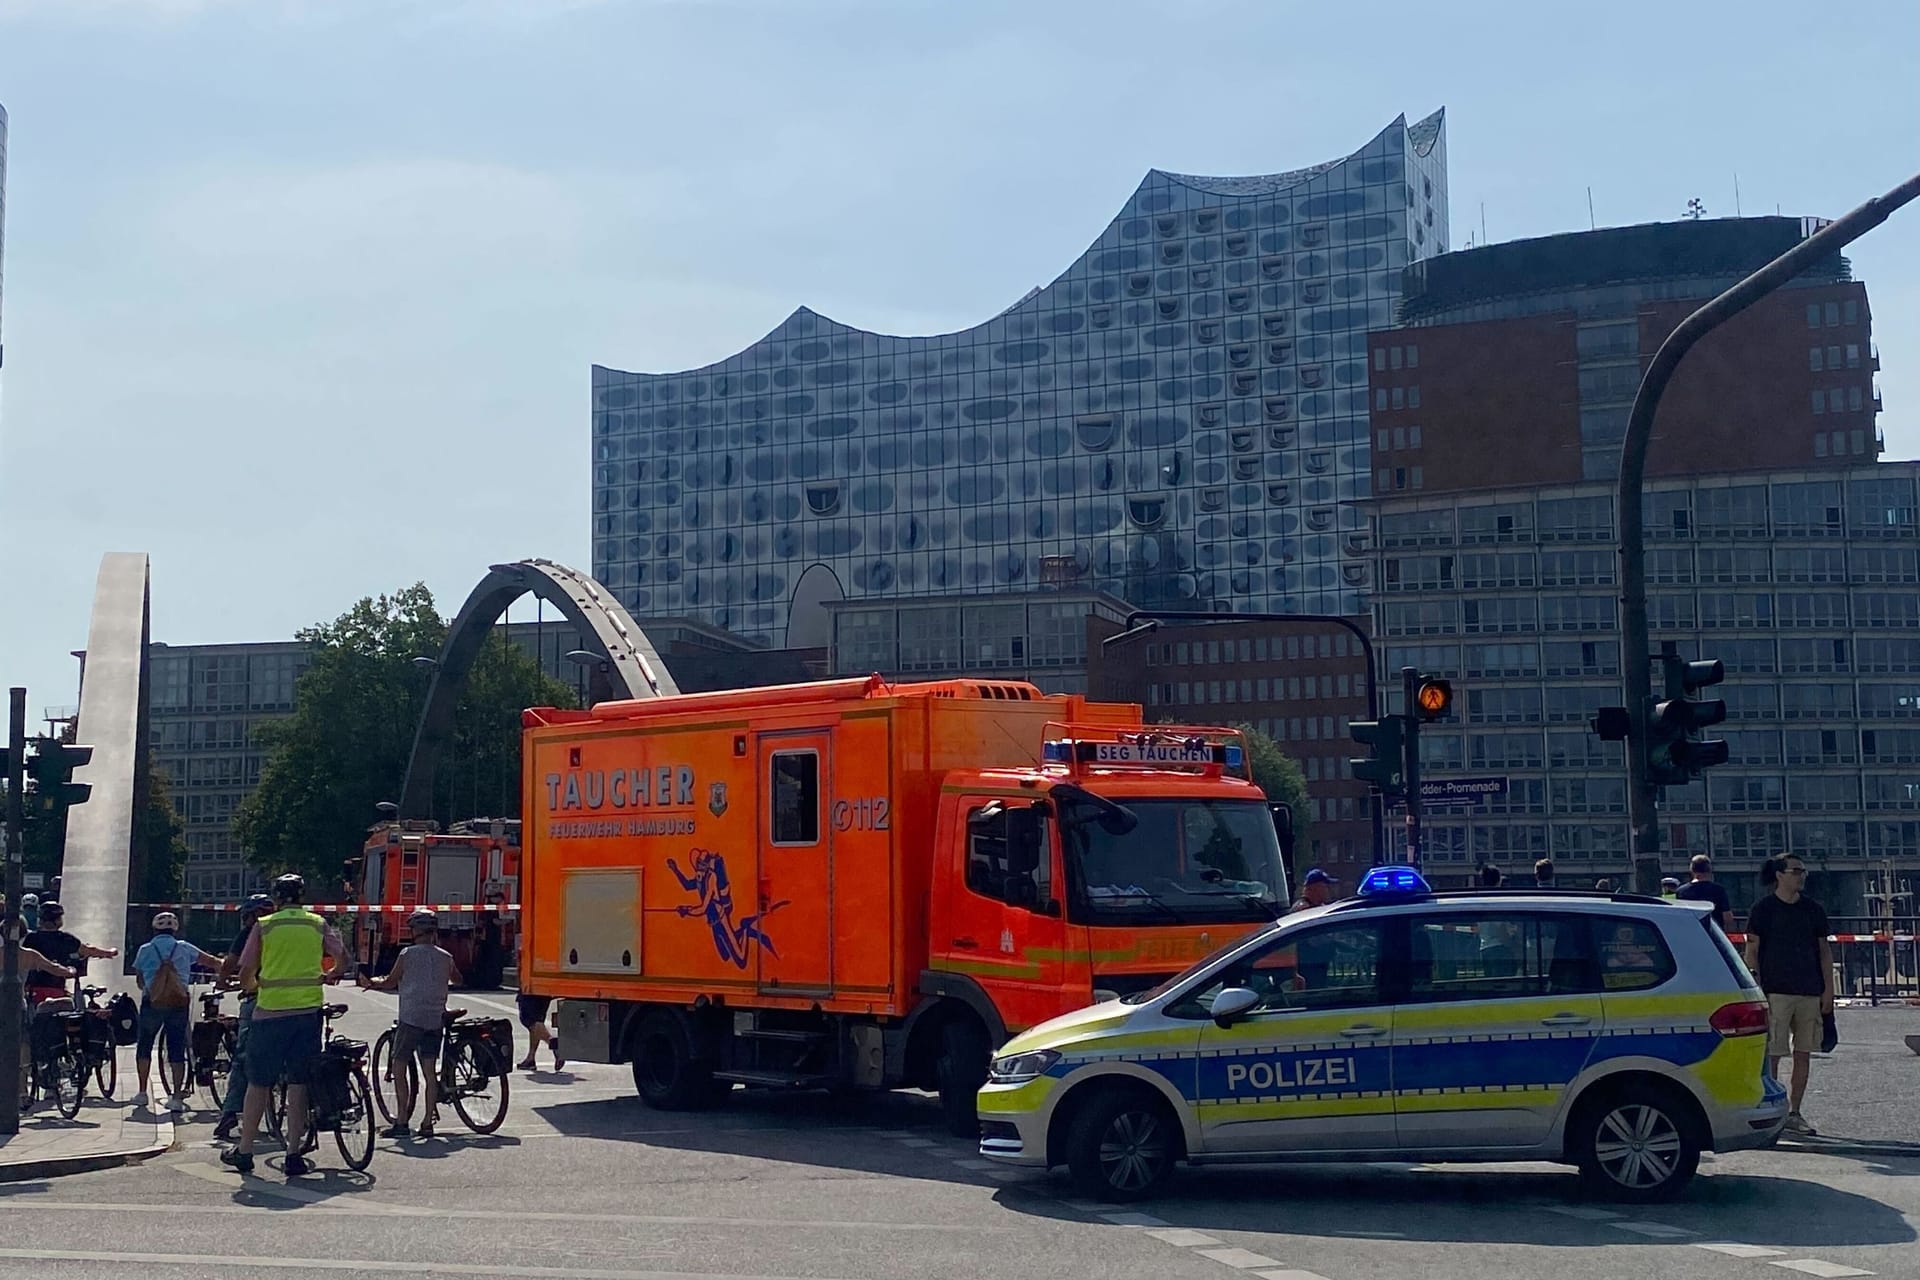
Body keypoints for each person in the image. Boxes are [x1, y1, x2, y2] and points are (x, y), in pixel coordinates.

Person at [221, 874, 352, 1178]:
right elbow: (341, 958)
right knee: (298, 1082)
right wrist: (329, 975)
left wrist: (255, 986)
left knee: (259, 1082)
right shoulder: (316, 923)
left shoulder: (265, 926)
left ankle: (245, 1150)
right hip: (307, 1012)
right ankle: (294, 1153)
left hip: (270, 1013)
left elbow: (246, 971)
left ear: (276, 898)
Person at [1744, 855, 1834, 1136]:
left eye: (1803, 871)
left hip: (1809, 989)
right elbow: (1752, 951)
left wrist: (1829, 989)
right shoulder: (1763, 909)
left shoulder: (1813, 910)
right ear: (1779, 875)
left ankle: (1795, 1112)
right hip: (1774, 991)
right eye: (1796, 871)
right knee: (1773, 1053)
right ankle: (1773, 1110)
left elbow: (1824, 951)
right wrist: (1755, 987)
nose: (1801, 876)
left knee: (1804, 1053)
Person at [357, 909, 461, 1138]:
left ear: (416, 931)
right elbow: (458, 979)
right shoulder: (446, 956)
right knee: (429, 1072)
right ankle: (427, 1123)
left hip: (411, 1018)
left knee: (399, 1065)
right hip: (435, 1019)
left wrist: (374, 983)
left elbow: (391, 982)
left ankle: (402, 1121)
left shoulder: (407, 954)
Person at [132, 912, 218, 1112]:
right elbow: (211, 961)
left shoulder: (145, 949)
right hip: (178, 1001)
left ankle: (142, 1092)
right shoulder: (184, 947)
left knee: (144, 1044)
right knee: (176, 1047)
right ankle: (177, 1095)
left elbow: (139, 980)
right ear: (175, 929)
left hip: (152, 1002)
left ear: (154, 929)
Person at [212, 894, 276, 1141]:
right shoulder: (285, 929)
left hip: (258, 999)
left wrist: (222, 980)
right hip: (295, 1001)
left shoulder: (251, 932)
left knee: (243, 1058)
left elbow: (231, 963)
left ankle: (230, 1112)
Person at [23, 899, 119, 1008]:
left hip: (32, 989)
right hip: (56, 988)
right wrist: (108, 953)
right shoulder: (65, 939)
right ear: (57, 920)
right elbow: (88, 950)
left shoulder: (31, 938)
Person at [1674, 854, 1735, 931]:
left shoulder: (1681, 891)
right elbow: (1727, 917)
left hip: (1689, 932)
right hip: (1712, 934)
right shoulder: (1718, 890)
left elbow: (1678, 917)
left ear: (1692, 870)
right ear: (1709, 870)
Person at [516, 992, 563, 1072]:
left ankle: (554, 1045)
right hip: (544, 990)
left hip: (531, 990)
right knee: (537, 1022)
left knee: (529, 1020)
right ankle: (530, 1058)